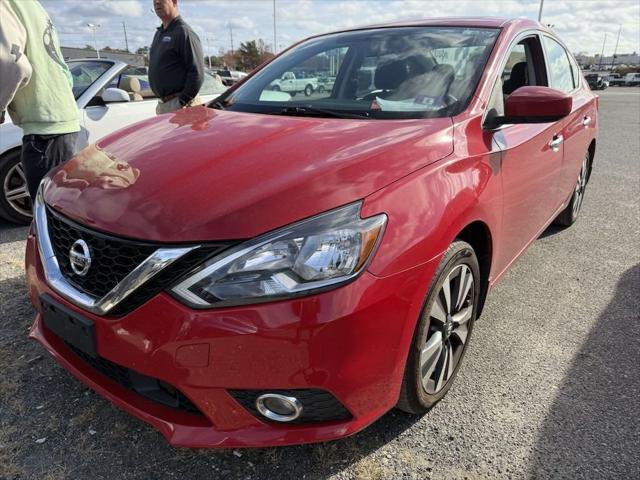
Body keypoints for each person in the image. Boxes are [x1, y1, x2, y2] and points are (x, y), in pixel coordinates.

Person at [0, 0, 80, 200]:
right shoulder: (34, 6)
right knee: (63, 210)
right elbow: (63, 69)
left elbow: (12, 64)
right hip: (62, 120)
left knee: (49, 213)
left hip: (43, 128)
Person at [149, 0, 205, 115]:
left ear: (174, 2)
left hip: (181, 105)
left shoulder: (184, 32)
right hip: (163, 105)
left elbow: (197, 73)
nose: (157, 2)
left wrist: (181, 101)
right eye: (154, 0)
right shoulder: (159, 33)